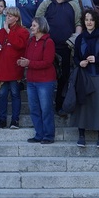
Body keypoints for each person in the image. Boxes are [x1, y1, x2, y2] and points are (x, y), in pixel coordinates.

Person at [36, 0, 82, 113]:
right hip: (48, 48)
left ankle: (60, 105)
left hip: (66, 48)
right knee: (47, 77)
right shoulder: (46, 4)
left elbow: (78, 23)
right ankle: (45, 106)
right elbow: (37, 23)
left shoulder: (73, 5)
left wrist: (75, 38)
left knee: (64, 77)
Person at [72, 8, 99, 148]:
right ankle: (81, 135)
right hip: (84, 76)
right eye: (86, 20)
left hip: (98, 75)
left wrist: (96, 59)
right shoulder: (80, 38)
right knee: (83, 105)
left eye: (91, 20)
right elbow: (76, 57)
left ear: (95, 21)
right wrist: (80, 62)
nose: (89, 22)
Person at [0, 7, 29, 129]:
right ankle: (2, 120)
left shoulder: (23, 31)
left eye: (10, 16)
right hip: (1, 69)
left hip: (15, 69)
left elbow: (20, 45)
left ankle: (15, 120)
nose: (8, 18)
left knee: (15, 94)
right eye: (7, 15)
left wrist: (9, 32)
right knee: (2, 95)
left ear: (17, 18)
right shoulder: (1, 32)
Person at [20, 16, 57, 144]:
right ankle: (39, 134)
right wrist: (23, 62)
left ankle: (48, 135)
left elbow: (47, 62)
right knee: (34, 109)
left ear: (41, 26)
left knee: (46, 109)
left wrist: (29, 63)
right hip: (31, 81)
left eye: (34, 25)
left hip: (45, 81)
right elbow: (28, 58)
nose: (31, 27)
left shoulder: (49, 42)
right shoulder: (30, 41)